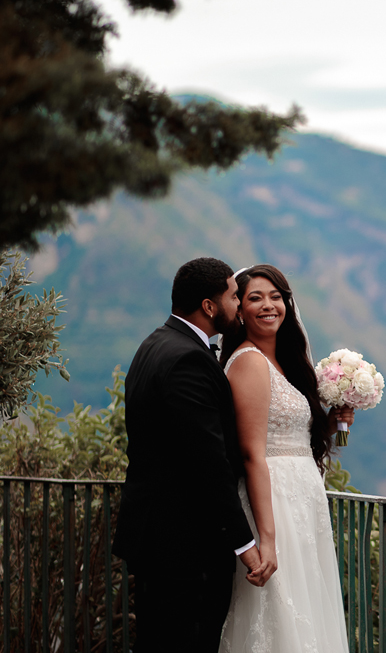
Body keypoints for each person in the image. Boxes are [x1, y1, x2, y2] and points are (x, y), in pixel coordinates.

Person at [112, 258, 267, 653]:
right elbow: (207, 462)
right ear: (209, 306)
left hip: (156, 536)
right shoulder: (188, 360)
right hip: (183, 543)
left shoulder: (154, 344)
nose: (239, 306)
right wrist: (245, 545)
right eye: (234, 296)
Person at [218, 264, 351, 652]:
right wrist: (268, 539)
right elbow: (252, 453)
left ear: (288, 304)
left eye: (275, 296)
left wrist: (332, 424)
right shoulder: (249, 362)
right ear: (239, 310)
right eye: (255, 298)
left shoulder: (283, 363)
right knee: (278, 613)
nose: (268, 305)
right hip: (273, 504)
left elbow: (289, 434)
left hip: (302, 502)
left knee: (304, 609)